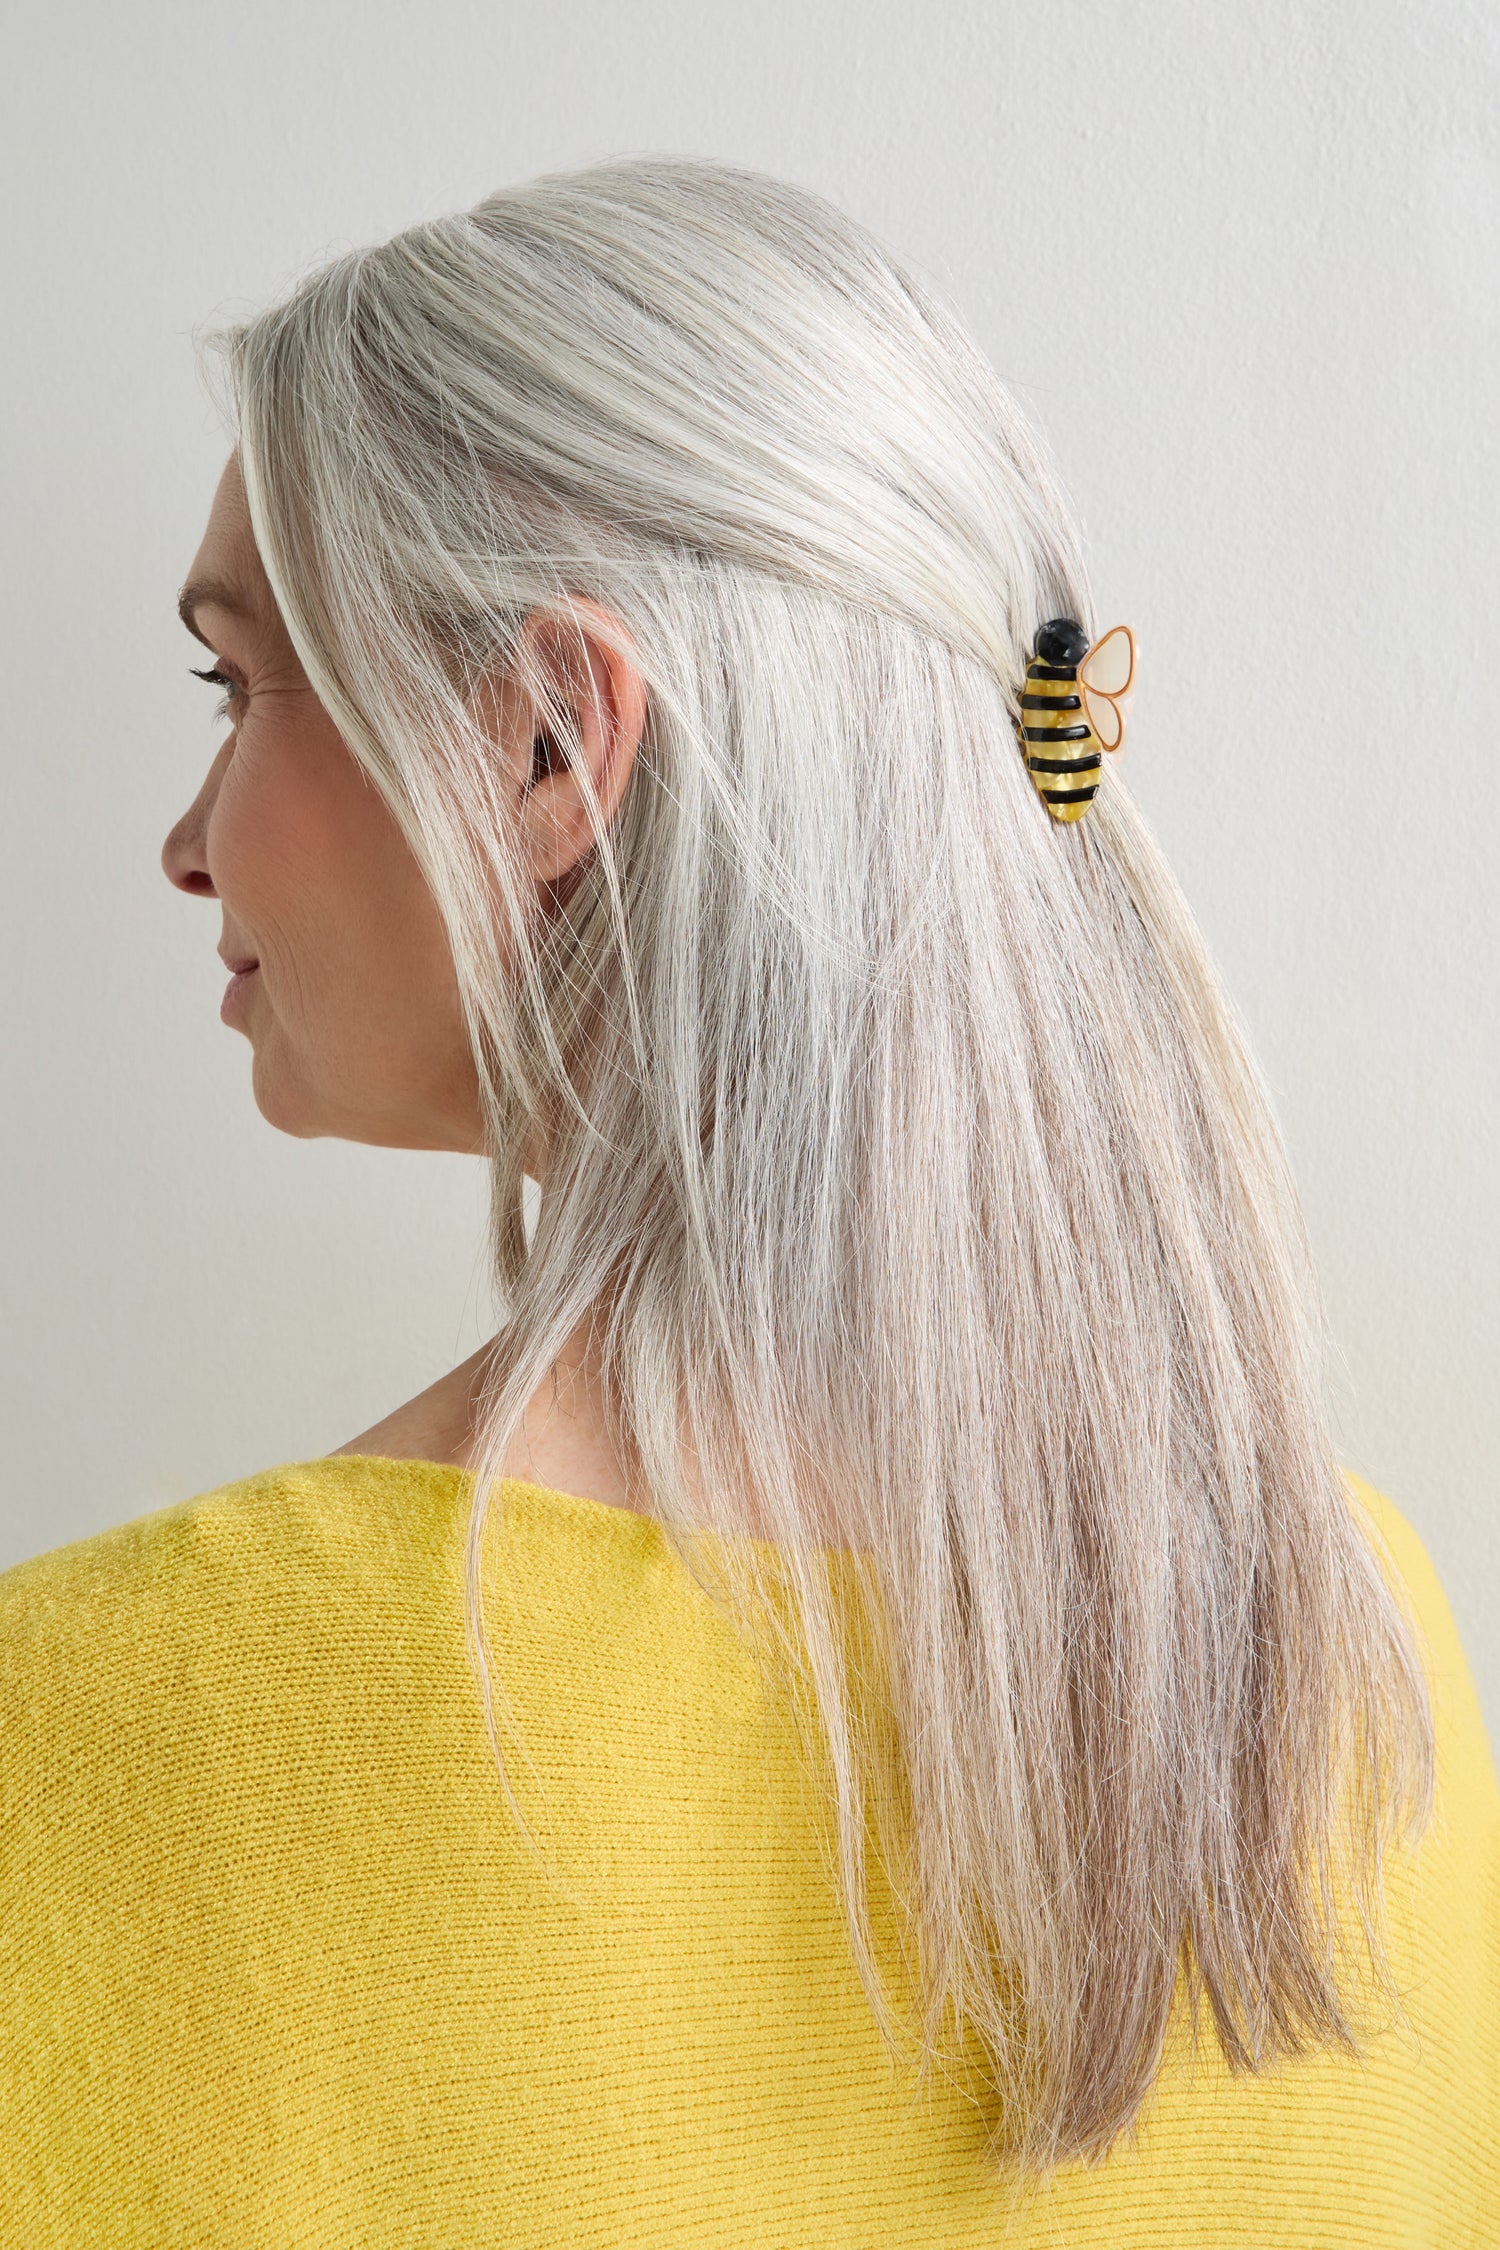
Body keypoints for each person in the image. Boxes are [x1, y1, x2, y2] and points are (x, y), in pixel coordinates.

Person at [1, 155, 1495, 2245]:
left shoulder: (98, 1753)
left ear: (545, 740)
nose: (185, 839)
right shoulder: (1349, 1657)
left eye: (238, 685)